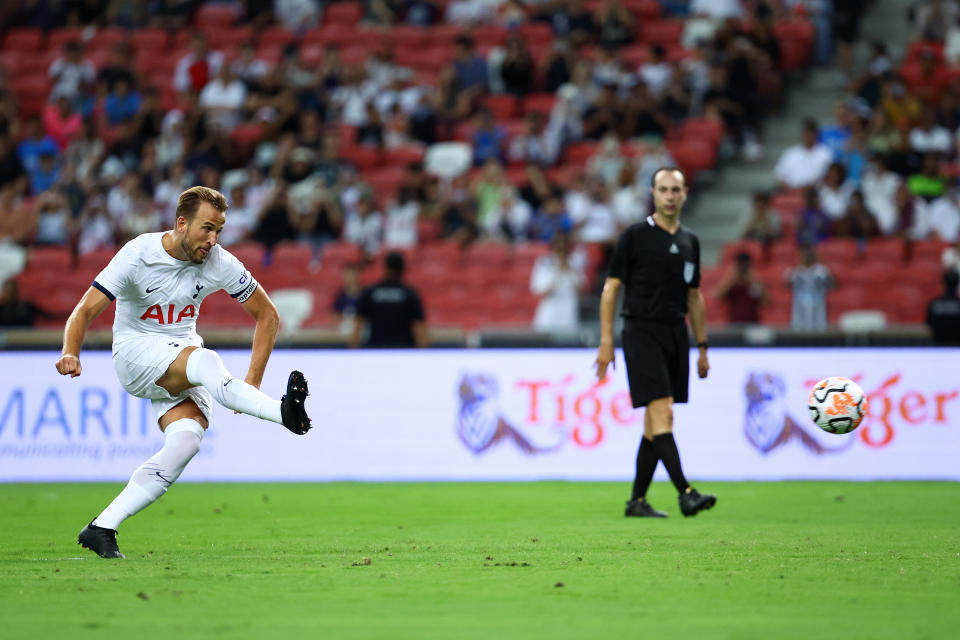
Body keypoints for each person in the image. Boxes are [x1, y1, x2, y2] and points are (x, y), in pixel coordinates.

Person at [55, 186, 312, 559]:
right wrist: (70, 352)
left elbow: (268, 315)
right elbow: (84, 310)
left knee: (186, 441)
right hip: (135, 354)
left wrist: (250, 385)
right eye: (207, 228)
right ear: (181, 223)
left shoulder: (220, 262)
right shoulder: (138, 254)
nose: (213, 239)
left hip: (179, 358)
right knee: (205, 361)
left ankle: (102, 527)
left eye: (219, 231)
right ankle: (282, 412)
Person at [595, 167, 716, 519]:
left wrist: (703, 346)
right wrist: (606, 340)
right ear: (653, 193)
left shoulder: (690, 241)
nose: (669, 195)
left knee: (654, 423)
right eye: (663, 189)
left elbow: (694, 297)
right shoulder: (634, 236)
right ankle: (686, 492)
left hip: (675, 333)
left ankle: (637, 502)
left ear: (685, 193)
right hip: (640, 330)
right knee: (662, 410)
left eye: (675, 189)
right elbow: (611, 288)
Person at [350, 251, 428, 348]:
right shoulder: (409, 294)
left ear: (385, 268)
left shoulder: (370, 292)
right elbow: (419, 328)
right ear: (403, 269)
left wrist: (354, 352)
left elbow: (358, 326)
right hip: (403, 351)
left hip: (376, 350)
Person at [530, 232, 585, 332]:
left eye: (564, 248)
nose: (562, 252)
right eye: (559, 248)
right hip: (548, 317)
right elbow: (541, 292)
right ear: (553, 247)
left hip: (569, 316)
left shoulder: (575, 263)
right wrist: (558, 272)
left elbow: (581, 291)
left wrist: (570, 270)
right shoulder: (544, 263)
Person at [785, 245, 834, 331]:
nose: (806, 257)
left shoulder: (821, 270)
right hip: (799, 312)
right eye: (804, 255)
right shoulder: (794, 271)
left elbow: (833, 286)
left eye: (808, 255)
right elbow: (786, 286)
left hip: (818, 312)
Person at [713, 251, 767, 324]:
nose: (743, 268)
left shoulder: (755, 281)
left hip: (753, 323)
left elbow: (767, 302)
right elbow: (718, 297)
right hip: (734, 323)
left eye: (746, 265)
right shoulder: (731, 282)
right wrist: (731, 279)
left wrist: (756, 281)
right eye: (741, 265)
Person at [926, 269, 960, 344]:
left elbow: (929, 324)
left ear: (943, 283)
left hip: (938, 349)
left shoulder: (934, 304)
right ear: (957, 284)